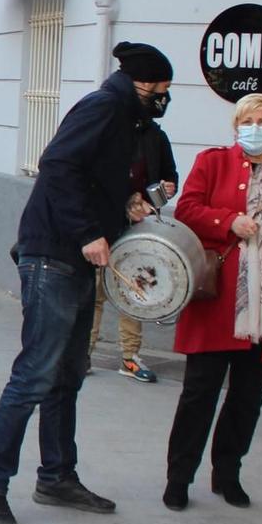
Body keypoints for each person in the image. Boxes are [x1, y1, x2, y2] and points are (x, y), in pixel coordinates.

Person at [0, 40, 172, 524]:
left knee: (66, 377)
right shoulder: (103, 108)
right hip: (53, 255)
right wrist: (88, 233)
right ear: (140, 84)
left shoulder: (129, 119)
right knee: (34, 376)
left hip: (75, 258)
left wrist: (129, 203)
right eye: (160, 90)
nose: (163, 98)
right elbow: (57, 166)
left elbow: (94, 180)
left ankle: (56, 476)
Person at [161, 94, 262, 511]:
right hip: (220, 302)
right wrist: (227, 220)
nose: (256, 127)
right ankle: (179, 477)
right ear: (236, 127)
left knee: (248, 398)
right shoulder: (212, 162)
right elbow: (188, 209)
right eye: (248, 120)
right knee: (199, 392)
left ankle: (228, 474)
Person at [88, 109, 179, 382]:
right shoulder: (104, 133)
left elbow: (169, 177)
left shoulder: (155, 136)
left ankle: (129, 357)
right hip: (102, 228)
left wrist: (162, 193)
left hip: (137, 230)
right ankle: (83, 354)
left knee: (134, 294)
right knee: (95, 295)